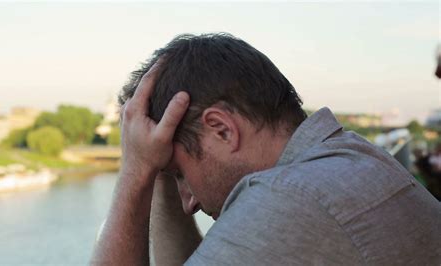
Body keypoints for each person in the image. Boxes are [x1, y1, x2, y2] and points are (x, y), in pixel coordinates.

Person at [91, 33, 441, 265]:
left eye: (181, 175)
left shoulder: (289, 199)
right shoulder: (346, 160)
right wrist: (158, 175)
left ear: (222, 130)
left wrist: (136, 171)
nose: (190, 203)